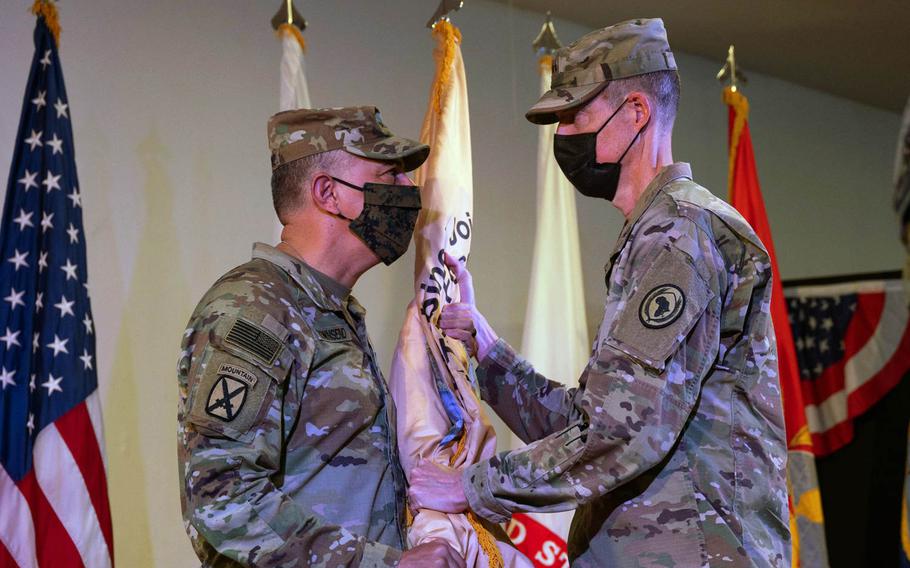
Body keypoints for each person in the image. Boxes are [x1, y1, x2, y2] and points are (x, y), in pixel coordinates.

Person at [409, 18, 791, 567]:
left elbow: (622, 430)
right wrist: (491, 356)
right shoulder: (653, 232)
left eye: (575, 116)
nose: (562, 136)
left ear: (637, 112)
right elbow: (591, 420)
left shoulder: (679, 234)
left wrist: (471, 486)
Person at [177, 106, 465, 568]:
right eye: (390, 175)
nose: (409, 191)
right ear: (328, 193)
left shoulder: (331, 308)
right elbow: (221, 497)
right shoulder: (259, 308)